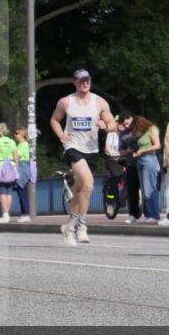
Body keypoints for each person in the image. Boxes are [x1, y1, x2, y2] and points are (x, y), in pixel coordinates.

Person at [50, 69, 116, 245]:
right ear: (75, 82)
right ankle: (82, 226)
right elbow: (55, 120)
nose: (84, 83)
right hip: (73, 146)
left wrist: (105, 126)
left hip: (92, 150)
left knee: (81, 189)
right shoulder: (66, 101)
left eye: (87, 80)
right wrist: (60, 135)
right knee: (88, 183)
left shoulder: (99, 102)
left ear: (90, 81)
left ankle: (69, 226)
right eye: (80, 81)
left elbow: (113, 125)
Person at [132, 116, 162, 223]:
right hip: (140, 160)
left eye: (136, 126)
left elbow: (157, 145)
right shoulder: (142, 132)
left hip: (149, 160)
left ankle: (154, 215)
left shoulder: (152, 129)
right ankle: (149, 214)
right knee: (144, 190)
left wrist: (143, 150)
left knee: (150, 188)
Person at [116, 112, 142, 225]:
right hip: (131, 164)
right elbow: (120, 150)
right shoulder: (122, 134)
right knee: (132, 190)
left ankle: (152, 214)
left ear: (131, 118)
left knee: (148, 189)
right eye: (123, 124)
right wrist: (127, 152)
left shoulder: (141, 128)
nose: (126, 126)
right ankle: (133, 214)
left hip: (144, 162)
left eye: (127, 123)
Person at [13, 127, 32, 222]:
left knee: (23, 191)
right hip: (20, 167)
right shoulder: (19, 144)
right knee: (20, 192)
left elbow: (17, 156)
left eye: (17, 133)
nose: (15, 135)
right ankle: (23, 213)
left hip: (22, 168)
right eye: (14, 133)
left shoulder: (24, 144)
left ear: (22, 134)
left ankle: (27, 213)